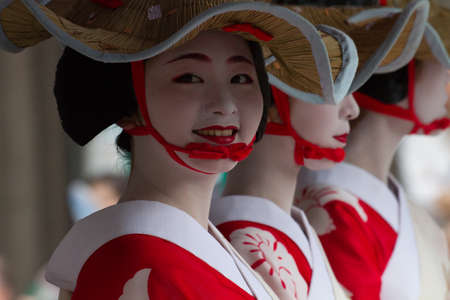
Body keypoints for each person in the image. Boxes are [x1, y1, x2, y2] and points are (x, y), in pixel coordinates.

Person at [0, 0, 343, 299]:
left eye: (241, 78)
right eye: (190, 77)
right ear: (128, 102)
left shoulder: (193, 243)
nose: (225, 104)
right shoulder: (136, 260)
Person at [209, 0, 428, 299]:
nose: (351, 108)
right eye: (333, 86)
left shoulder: (295, 226)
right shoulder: (247, 238)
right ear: (272, 98)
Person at [296, 0, 450, 299]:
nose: (448, 76)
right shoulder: (331, 205)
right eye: (440, 59)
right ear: (400, 67)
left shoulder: (382, 199)